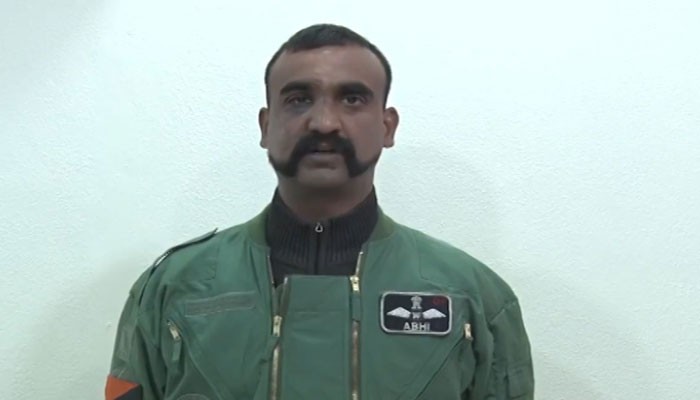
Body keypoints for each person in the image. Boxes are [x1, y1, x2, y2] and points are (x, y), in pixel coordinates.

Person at [105, 23, 534, 400]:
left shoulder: (473, 296)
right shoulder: (173, 289)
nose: (324, 122)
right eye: (298, 99)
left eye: (352, 99)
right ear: (265, 126)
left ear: (387, 126)